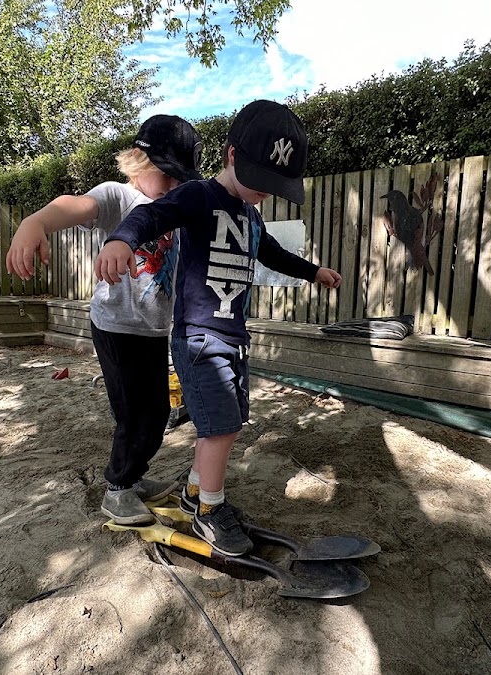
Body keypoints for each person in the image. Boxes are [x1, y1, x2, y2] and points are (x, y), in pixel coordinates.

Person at [95, 100, 342, 556]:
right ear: (231, 156)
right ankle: (209, 510)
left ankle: (195, 491)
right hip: (199, 338)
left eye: (275, 185)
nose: (265, 192)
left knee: (229, 421)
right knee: (220, 427)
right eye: (259, 179)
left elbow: (270, 252)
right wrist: (121, 239)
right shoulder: (198, 196)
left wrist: (313, 271)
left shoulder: (250, 214)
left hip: (233, 338)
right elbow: (151, 216)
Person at [6, 114, 204, 525]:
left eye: (180, 178)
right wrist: (35, 221)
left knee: (156, 412)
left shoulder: (175, 208)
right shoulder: (120, 196)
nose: (172, 185)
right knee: (135, 414)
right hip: (116, 326)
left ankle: (132, 479)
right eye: (165, 174)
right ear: (138, 162)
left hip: (153, 329)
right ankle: (117, 490)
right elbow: (76, 205)